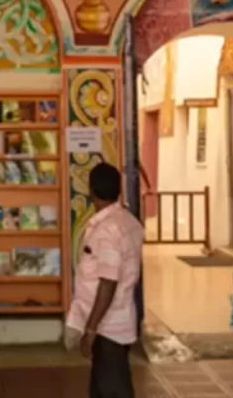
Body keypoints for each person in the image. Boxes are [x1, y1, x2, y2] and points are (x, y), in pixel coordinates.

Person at [66, 162, 144, 398]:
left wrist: (90, 329)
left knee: (113, 387)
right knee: (102, 385)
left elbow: (108, 283)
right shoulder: (129, 222)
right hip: (118, 319)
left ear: (91, 191)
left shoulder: (108, 230)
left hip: (108, 325)